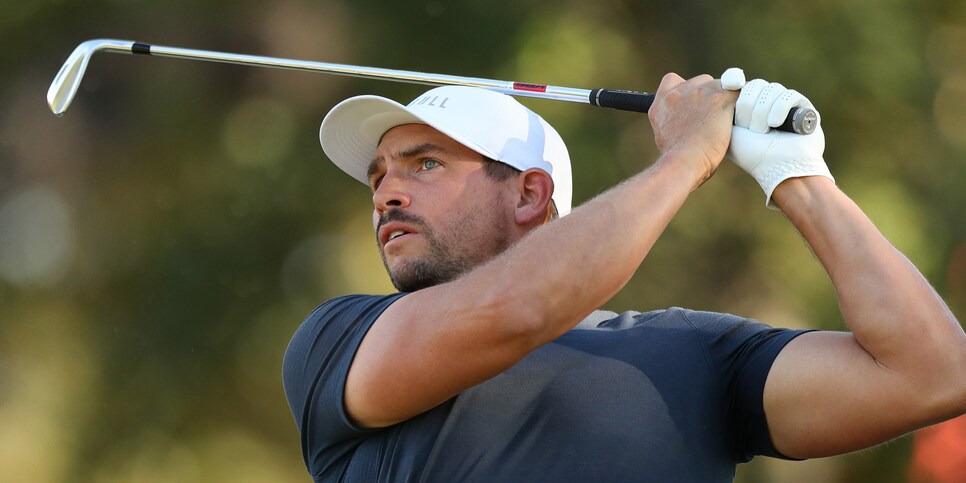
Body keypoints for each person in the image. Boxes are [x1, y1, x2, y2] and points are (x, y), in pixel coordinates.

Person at [282, 71, 966, 482]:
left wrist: (796, 175)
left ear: (528, 195)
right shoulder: (338, 342)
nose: (385, 194)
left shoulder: (698, 353)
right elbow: (518, 308)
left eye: (423, 164)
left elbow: (933, 373)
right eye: (378, 177)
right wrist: (685, 160)